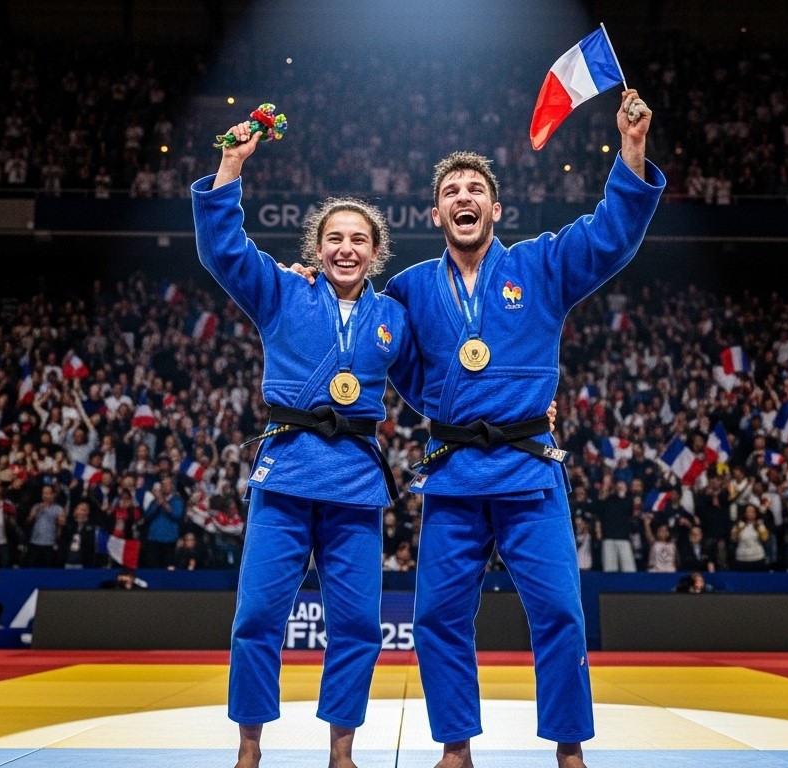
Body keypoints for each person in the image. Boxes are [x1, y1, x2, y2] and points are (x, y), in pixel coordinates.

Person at [379, 89, 662, 768]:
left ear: (495, 209)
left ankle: (568, 747)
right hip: (451, 475)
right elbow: (382, 352)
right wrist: (449, 406)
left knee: (560, 613)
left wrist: (630, 149)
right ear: (438, 212)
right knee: (437, 619)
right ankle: (455, 746)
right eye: (451, 190)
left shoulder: (538, 264)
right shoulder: (412, 288)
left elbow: (608, 236)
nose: (464, 196)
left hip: (531, 470)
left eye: (475, 187)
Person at [191, 113, 418, 768]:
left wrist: (527, 406)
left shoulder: (394, 318)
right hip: (287, 474)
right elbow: (224, 251)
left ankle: (341, 752)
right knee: (258, 618)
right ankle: (250, 748)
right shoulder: (285, 291)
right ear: (318, 248)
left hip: (354, 483)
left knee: (356, 627)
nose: (346, 248)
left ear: (376, 253)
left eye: (358, 240)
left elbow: (439, 386)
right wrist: (232, 165)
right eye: (334, 238)